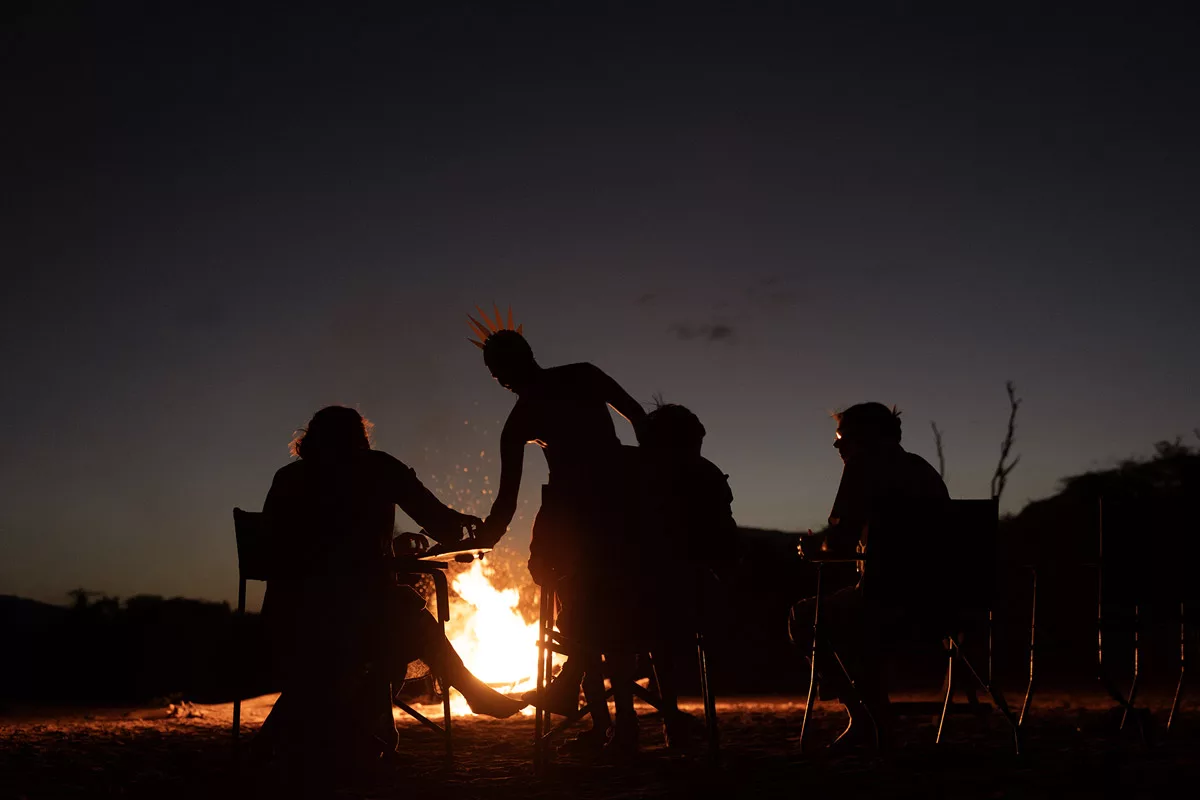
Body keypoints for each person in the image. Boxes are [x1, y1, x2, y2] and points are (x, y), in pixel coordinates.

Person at [261, 406, 525, 777]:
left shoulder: (287, 478)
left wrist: (387, 550)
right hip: (354, 624)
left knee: (395, 620)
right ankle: (463, 692)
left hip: (290, 623)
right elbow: (439, 523)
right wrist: (459, 526)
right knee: (406, 624)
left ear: (312, 439)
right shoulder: (377, 467)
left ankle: (365, 736)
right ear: (360, 438)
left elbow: (295, 551)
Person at [467, 306, 648, 755]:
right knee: (591, 596)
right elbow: (639, 418)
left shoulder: (522, 418)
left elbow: (507, 501)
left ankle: (600, 712)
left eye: (497, 371)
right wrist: (647, 478)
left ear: (515, 363)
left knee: (576, 592)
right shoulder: (578, 378)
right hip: (617, 506)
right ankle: (610, 720)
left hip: (580, 515)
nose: (499, 379)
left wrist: (483, 538)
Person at [789, 402, 949, 749]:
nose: (837, 446)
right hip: (947, 605)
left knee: (807, 616)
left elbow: (841, 541)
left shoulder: (864, 467)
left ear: (865, 438)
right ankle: (874, 715)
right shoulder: (921, 469)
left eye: (842, 438)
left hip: (888, 604)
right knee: (850, 610)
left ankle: (867, 718)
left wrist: (815, 549)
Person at [633, 402, 736, 749]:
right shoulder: (707, 474)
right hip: (691, 592)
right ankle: (666, 712)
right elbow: (726, 540)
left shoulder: (639, 475)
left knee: (648, 622)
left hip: (644, 593)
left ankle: (649, 712)